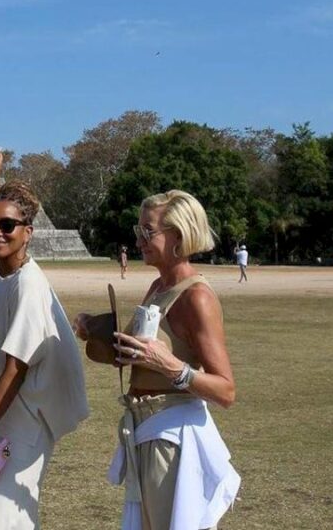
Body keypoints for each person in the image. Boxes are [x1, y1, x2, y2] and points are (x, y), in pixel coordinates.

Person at [73, 189, 240, 530]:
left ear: (179, 235)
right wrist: (99, 331)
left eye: (148, 231)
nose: (139, 240)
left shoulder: (197, 297)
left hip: (173, 442)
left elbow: (226, 391)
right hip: (145, 434)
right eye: (139, 231)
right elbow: (144, 357)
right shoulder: (157, 287)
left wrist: (172, 367)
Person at [0, 151, 89, 529]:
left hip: (24, 425)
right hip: (7, 422)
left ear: (28, 232)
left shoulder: (29, 286)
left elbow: (15, 369)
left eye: (7, 226)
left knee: (1, 520)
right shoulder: (6, 273)